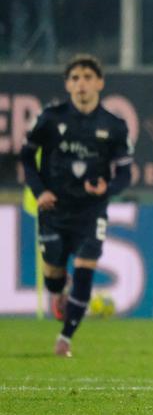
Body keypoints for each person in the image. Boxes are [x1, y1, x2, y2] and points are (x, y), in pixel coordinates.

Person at [19, 55, 133, 357]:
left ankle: (65, 338)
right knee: (53, 273)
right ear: (68, 84)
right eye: (74, 78)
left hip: (90, 212)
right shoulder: (50, 119)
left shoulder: (114, 126)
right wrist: (40, 191)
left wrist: (108, 188)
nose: (80, 83)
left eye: (86, 77)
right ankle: (59, 291)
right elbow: (27, 158)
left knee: (85, 268)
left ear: (99, 82)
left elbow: (125, 173)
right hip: (54, 209)